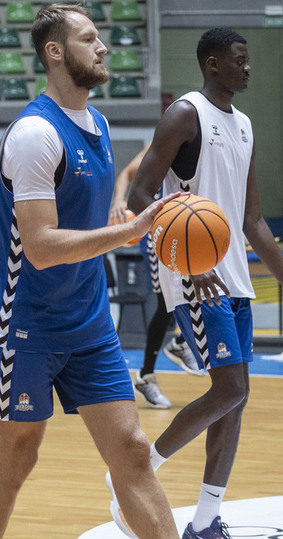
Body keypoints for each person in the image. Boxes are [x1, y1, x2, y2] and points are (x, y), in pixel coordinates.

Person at [0, 7, 270, 539]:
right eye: (88, 37)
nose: (104, 44)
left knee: (128, 448)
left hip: (89, 319)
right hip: (28, 325)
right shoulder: (34, 136)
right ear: (54, 55)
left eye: (101, 34)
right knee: (15, 460)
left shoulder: (94, 122)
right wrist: (126, 233)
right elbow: (39, 246)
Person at [108, 27, 283, 539]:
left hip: (234, 276)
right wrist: (185, 261)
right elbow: (140, 198)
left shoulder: (245, 125)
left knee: (237, 395)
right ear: (212, 63)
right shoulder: (184, 115)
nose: (248, 69)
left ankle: (205, 524)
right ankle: (133, 474)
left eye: (248, 61)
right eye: (240, 60)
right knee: (228, 387)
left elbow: (252, 220)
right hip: (193, 276)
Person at [108, 144, 204, 410]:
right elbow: (126, 174)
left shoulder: (207, 144)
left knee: (197, 292)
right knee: (167, 302)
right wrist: (118, 201)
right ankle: (149, 372)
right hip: (157, 234)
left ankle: (175, 346)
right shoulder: (163, 143)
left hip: (184, 228)